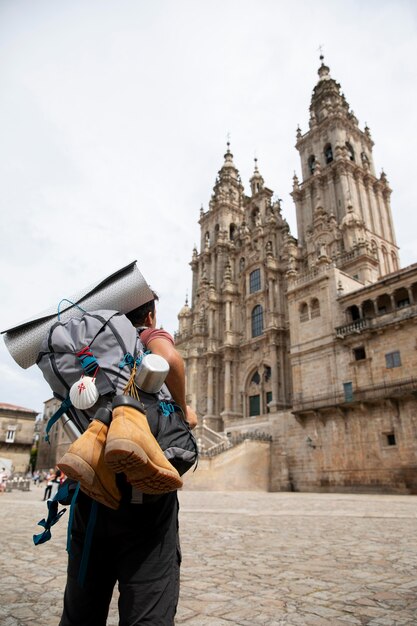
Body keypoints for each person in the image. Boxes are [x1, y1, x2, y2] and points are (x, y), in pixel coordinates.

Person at [58, 295, 197, 626]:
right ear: (149, 317)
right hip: (143, 501)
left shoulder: (88, 345)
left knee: (80, 611)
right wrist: (181, 407)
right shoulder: (148, 336)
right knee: (148, 608)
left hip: (92, 492)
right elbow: (171, 361)